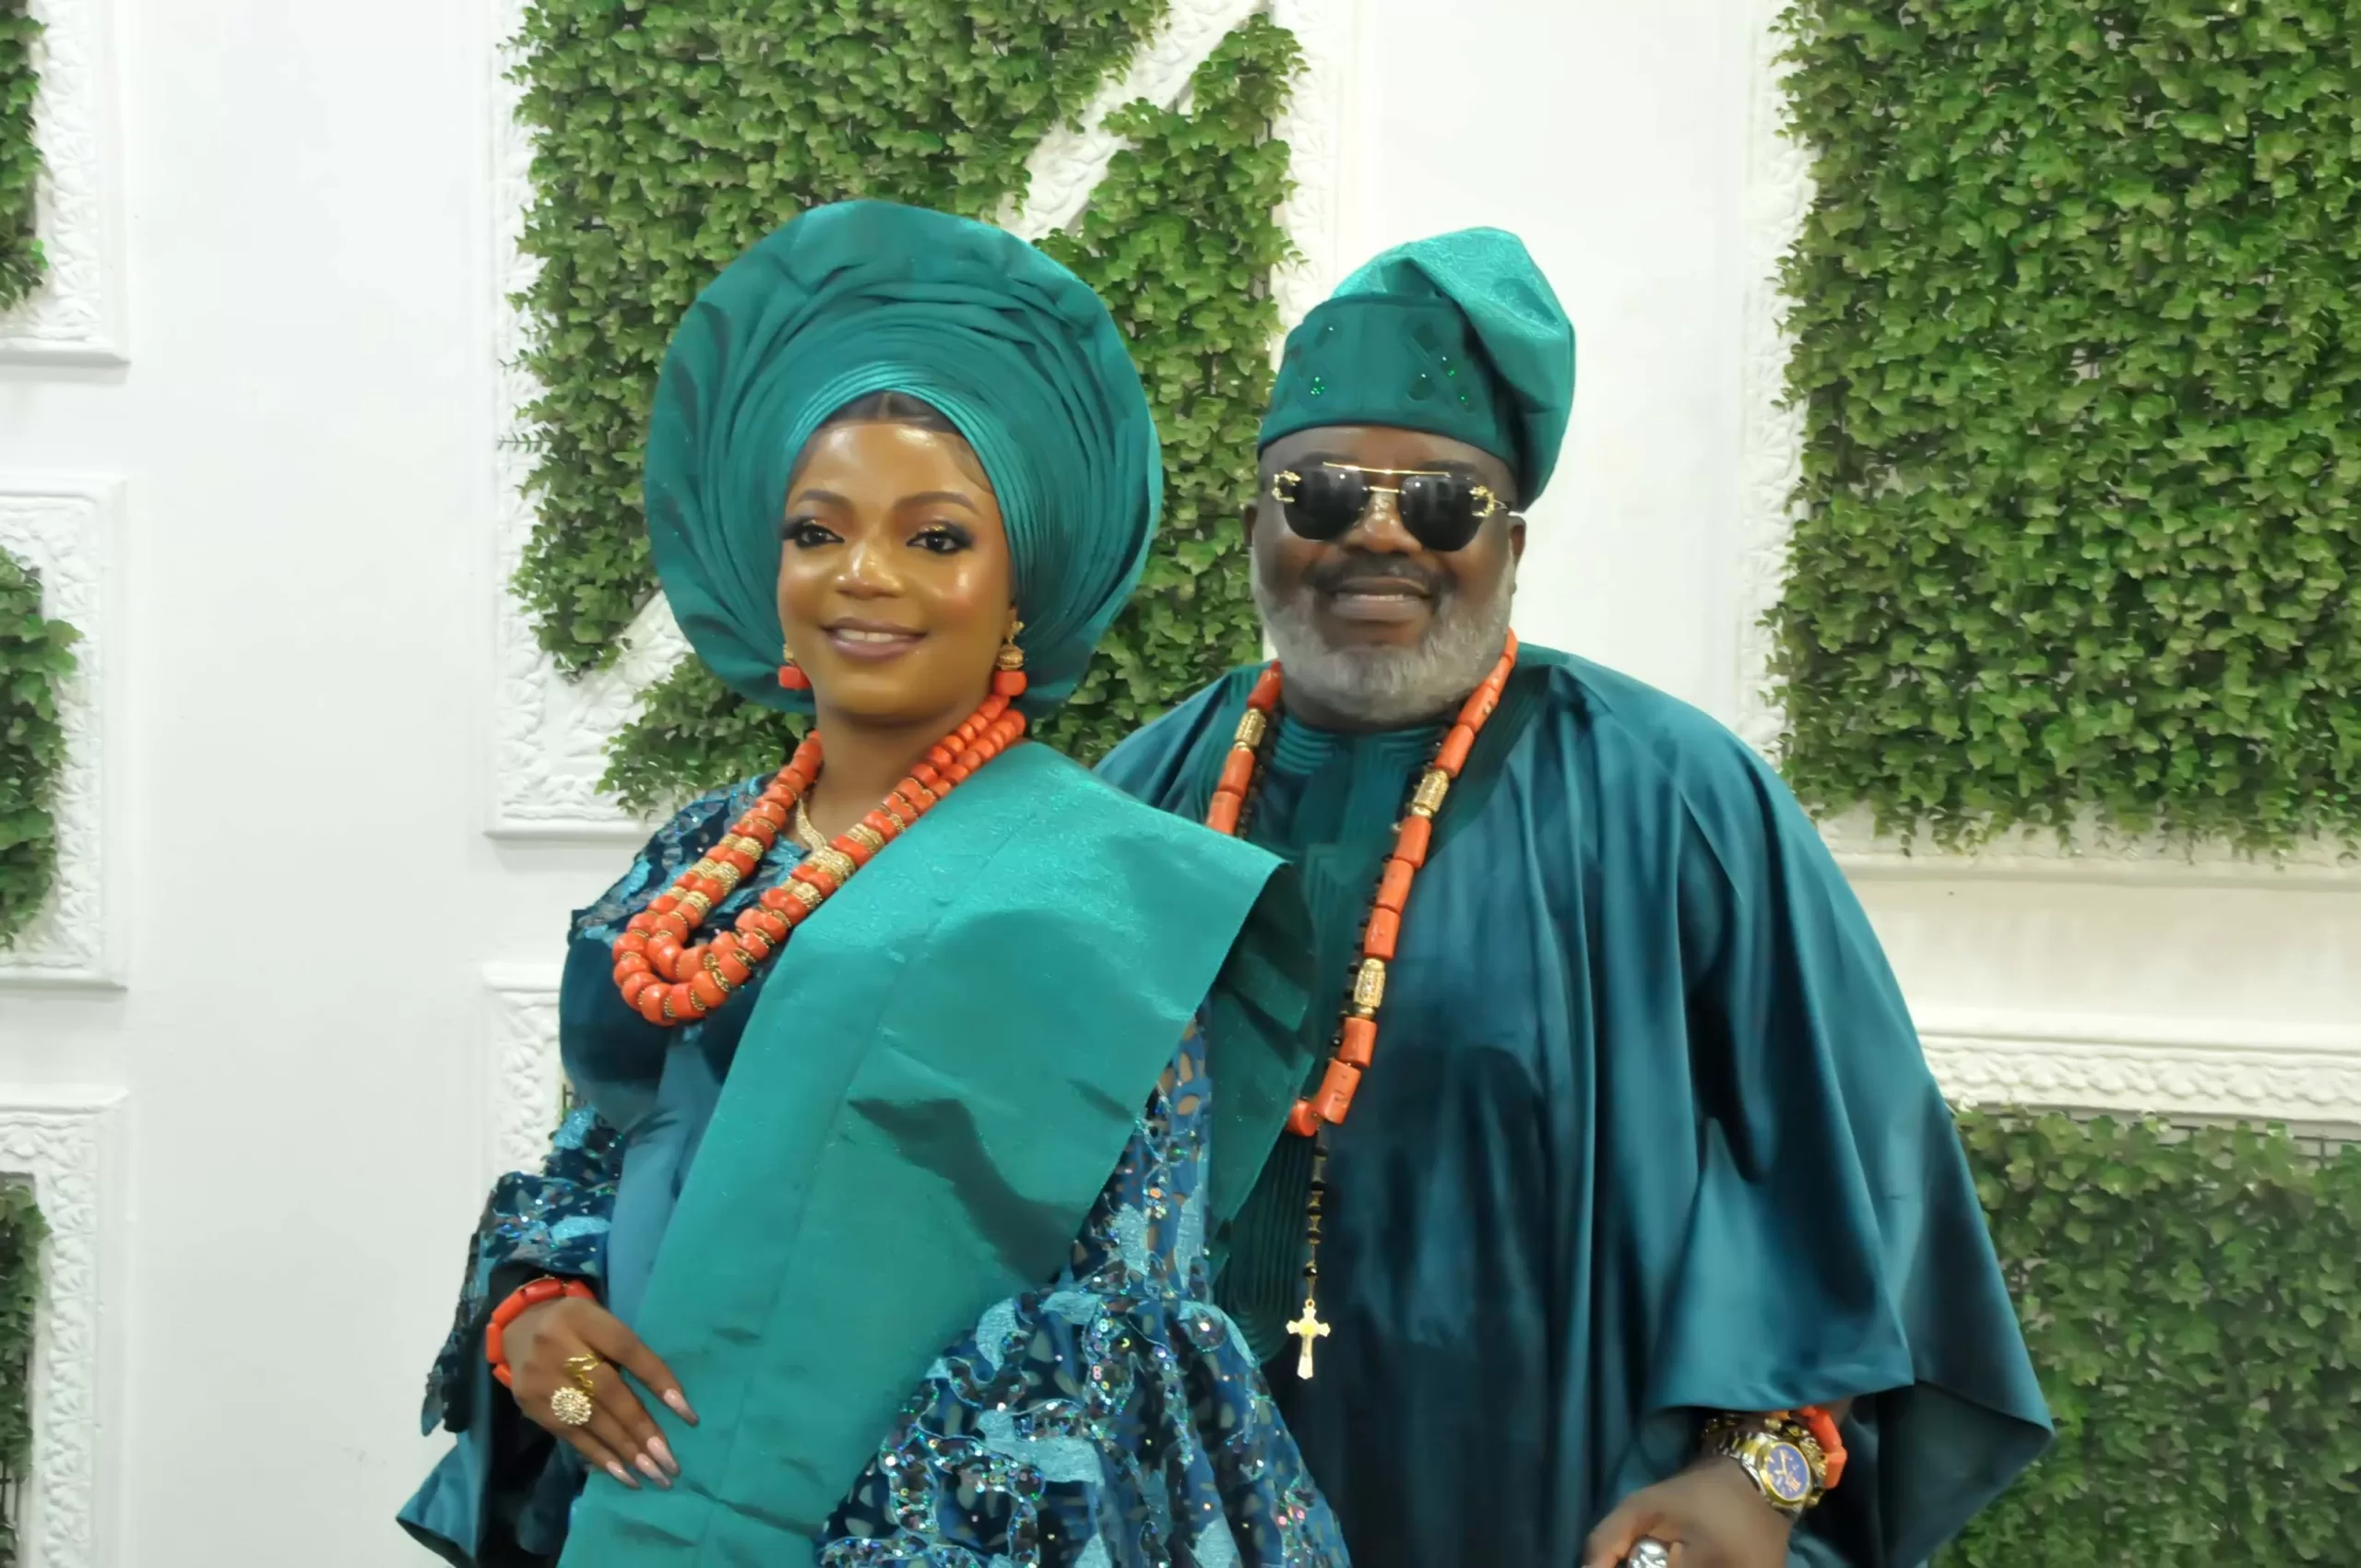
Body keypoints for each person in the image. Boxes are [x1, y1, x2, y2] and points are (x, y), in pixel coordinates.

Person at [398, 200, 1348, 1568]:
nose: (864, 576)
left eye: (936, 538)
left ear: (1020, 587)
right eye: (817, 530)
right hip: (626, 1512)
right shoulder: (700, 857)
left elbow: (1119, 1314)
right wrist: (535, 1305)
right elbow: (607, 1145)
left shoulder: (1107, 893)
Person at [1093, 230, 2054, 1568]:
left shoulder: (1676, 798)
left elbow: (1856, 1198)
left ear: (1513, 543)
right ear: (1255, 522)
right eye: (1323, 494)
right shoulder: (1140, 798)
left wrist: (1760, 1474)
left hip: (1546, 1509)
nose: (1379, 533)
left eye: (1444, 504)